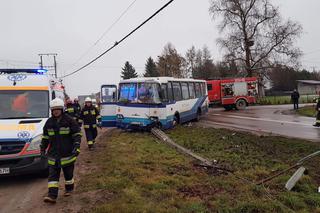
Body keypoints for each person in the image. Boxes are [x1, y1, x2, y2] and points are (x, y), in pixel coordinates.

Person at [40, 98, 82, 203]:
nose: (56, 111)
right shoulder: (49, 123)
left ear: (62, 109)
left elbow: (77, 134)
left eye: (58, 109)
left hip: (67, 153)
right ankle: (52, 195)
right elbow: (45, 137)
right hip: (53, 154)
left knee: (68, 175)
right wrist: (42, 148)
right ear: (51, 111)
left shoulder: (69, 120)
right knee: (53, 175)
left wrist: (76, 146)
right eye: (54, 110)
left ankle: (69, 189)